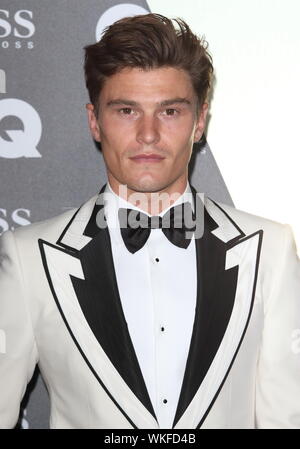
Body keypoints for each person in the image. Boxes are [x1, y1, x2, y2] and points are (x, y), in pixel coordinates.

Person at [0, 13, 299, 430]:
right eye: (126, 110)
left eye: (170, 111)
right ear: (94, 121)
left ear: (199, 122)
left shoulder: (270, 249)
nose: (148, 134)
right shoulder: (29, 257)